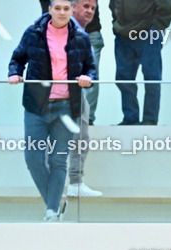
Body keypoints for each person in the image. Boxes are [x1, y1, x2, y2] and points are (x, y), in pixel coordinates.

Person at [9, 0, 96, 221]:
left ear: (71, 11)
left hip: (66, 107)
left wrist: (88, 78)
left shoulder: (81, 38)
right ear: (49, 10)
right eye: (57, 8)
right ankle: (55, 202)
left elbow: (91, 68)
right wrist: (15, 73)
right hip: (36, 106)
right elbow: (17, 58)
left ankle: (51, 212)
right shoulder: (33, 33)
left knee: (58, 161)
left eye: (66, 9)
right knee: (33, 159)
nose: (62, 12)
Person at [110, 0, 171, 125]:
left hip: (148, 33)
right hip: (123, 35)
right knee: (123, 78)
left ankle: (149, 119)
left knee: (151, 77)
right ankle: (130, 118)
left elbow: (167, 8)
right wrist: (117, 26)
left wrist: (156, 29)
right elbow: (113, 6)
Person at [67, 0, 103, 197]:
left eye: (93, 8)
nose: (90, 11)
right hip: (54, 93)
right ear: (73, 7)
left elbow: (90, 69)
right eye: (85, 7)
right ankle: (53, 188)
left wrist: (86, 76)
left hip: (76, 93)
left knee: (81, 136)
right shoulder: (54, 28)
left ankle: (75, 183)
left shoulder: (84, 35)